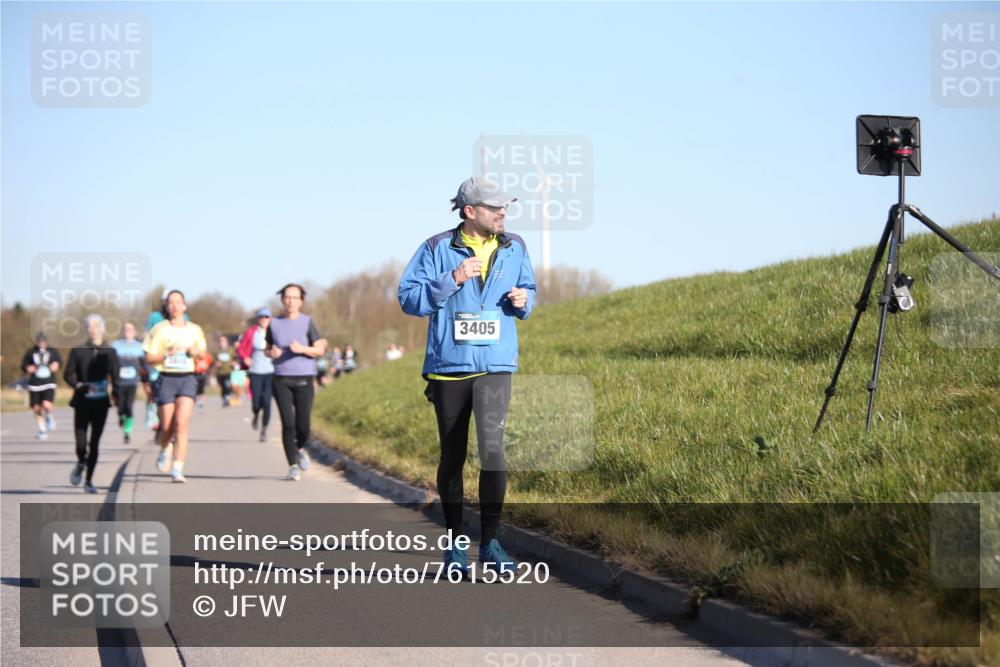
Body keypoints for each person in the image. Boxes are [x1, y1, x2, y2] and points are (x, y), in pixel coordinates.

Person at [398, 177, 536, 576]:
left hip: (496, 365)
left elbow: (528, 287)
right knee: (453, 456)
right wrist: (452, 279)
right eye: (495, 208)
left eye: (505, 207)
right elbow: (409, 298)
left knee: (493, 452)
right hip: (449, 368)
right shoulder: (437, 247)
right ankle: (456, 545)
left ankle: (491, 543)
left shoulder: (516, 246)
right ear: (470, 211)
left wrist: (526, 300)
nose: (503, 214)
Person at [143, 290, 207, 483]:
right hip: (166, 379)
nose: (175, 306)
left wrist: (196, 352)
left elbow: (202, 355)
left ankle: (178, 468)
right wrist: (166, 355)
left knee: (182, 424)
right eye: (171, 303)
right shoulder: (159, 329)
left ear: (184, 306)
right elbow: (149, 358)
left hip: (187, 379)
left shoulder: (195, 329)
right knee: (167, 427)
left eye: (178, 302)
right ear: (167, 307)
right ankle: (165, 448)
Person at [266, 284, 328, 480]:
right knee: (288, 423)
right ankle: (292, 465)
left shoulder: (307, 322)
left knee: (303, 426)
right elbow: (267, 349)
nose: (290, 301)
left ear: (301, 301)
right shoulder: (274, 324)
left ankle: (299, 448)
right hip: (281, 378)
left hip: (304, 378)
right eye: (287, 297)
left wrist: (302, 349)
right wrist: (271, 353)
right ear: (283, 300)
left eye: (295, 297)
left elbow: (319, 350)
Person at [63, 315, 120, 493]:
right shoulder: (78, 350)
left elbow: (116, 376)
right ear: (86, 329)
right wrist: (78, 385)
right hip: (82, 401)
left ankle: (88, 481)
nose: (92, 329)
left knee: (94, 443)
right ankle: (81, 461)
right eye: (89, 326)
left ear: (102, 328)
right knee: (81, 443)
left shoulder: (110, 351)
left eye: (96, 326)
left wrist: (116, 394)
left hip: (101, 403)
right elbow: (68, 374)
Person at [238, 308, 275, 442]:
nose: (264, 320)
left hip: (271, 371)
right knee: (256, 402)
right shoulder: (251, 332)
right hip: (255, 371)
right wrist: (246, 358)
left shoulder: (274, 332)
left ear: (270, 319)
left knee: (267, 402)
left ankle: (264, 429)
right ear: (258, 319)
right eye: (262, 317)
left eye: (267, 317)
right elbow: (241, 349)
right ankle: (255, 414)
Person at [21, 333, 63, 440]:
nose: (41, 343)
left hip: (49, 382)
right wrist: (28, 368)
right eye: (40, 341)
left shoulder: (52, 351)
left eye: (43, 341)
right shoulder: (31, 352)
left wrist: (56, 365)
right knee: (36, 408)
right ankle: (42, 430)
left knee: (46, 404)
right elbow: (23, 365)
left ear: (46, 341)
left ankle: (48, 416)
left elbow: (59, 362)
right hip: (35, 384)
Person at [111, 322, 147, 444]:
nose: (128, 332)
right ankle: (121, 417)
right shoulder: (115, 345)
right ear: (122, 331)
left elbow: (144, 365)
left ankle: (127, 432)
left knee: (129, 407)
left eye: (131, 329)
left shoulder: (139, 347)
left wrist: (146, 380)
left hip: (132, 382)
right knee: (120, 407)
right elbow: (109, 362)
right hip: (118, 382)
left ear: (134, 332)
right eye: (126, 329)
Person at [213, 335, 236, 407]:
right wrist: (216, 363)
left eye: (224, 340)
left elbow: (235, 357)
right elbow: (213, 360)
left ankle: (228, 396)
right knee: (223, 386)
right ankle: (224, 398)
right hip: (220, 372)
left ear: (227, 342)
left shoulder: (231, 349)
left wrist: (234, 362)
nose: (222, 342)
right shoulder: (217, 351)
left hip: (229, 371)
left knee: (228, 384)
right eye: (221, 341)